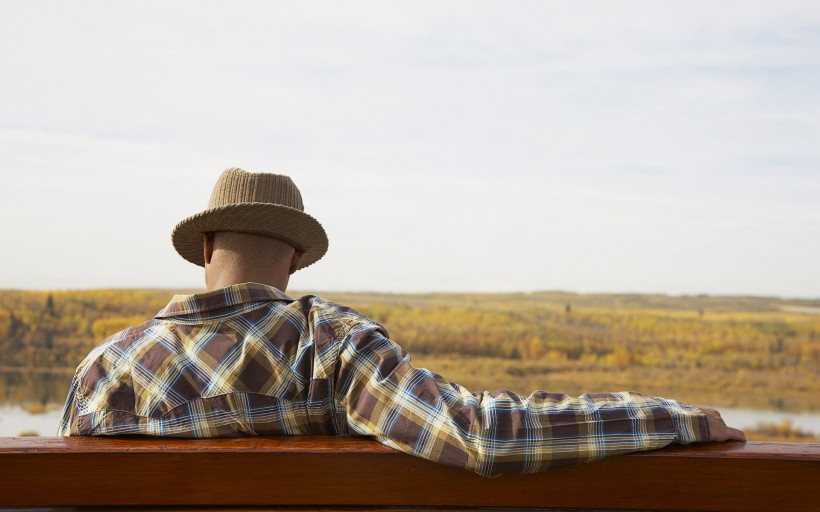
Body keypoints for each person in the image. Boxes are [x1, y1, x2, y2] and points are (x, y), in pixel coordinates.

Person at [58, 167, 744, 477]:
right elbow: (479, 437)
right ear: (294, 260)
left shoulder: (101, 371)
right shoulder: (330, 344)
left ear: (205, 250)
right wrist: (676, 419)